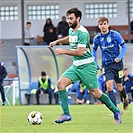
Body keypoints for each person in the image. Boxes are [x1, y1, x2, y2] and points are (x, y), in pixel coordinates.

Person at [49, 7, 122, 124]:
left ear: (78, 18)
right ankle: (66, 114)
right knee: (60, 84)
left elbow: (80, 52)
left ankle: (116, 111)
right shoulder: (71, 30)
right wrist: (57, 41)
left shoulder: (83, 32)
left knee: (96, 93)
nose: (69, 21)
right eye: (68, 18)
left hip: (87, 66)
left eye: (71, 18)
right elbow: (71, 38)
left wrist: (63, 51)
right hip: (76, 66)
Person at [93, 16, 128, 109]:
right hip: (106, 65)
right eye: (101, 24)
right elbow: (94, 50)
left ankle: (125, 97)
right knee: (109, 87)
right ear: (99, 26)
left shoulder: (115, 35)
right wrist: (95, 62)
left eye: (104, 24)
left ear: (108, 25)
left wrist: (119, 57)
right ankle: (116, 111)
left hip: (118, 64)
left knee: (119, 87)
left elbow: (124, 47)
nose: (103, 26)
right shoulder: (97, 38)